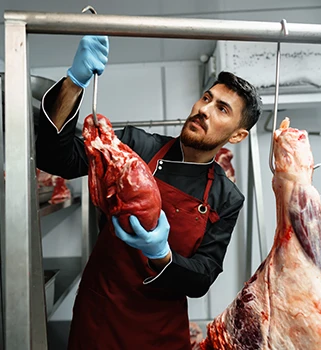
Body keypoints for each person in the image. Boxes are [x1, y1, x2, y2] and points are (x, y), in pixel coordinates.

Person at [36, 35, 262, 350]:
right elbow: (55, 158)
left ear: (237, 135)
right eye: (206, 98)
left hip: (161, 329)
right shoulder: (136, 146)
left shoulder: (226, 197)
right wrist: (74, 83)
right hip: (101, 313)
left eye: (221, 108)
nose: (203, 110)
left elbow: (202, 277)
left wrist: (162, 254)